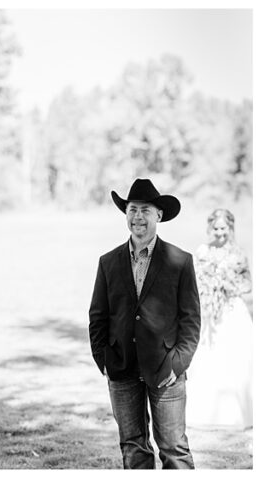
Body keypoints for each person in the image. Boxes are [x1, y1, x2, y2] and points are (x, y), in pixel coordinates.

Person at [88, 178, 200, 469]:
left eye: (145, 210)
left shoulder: (180, 260)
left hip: (165, 369)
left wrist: (178, 364)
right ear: (126, 214)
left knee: (174, 448)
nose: (138, 217)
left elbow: (191, 319)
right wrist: (104, 359)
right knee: (133, 448)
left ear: (158, 215)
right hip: (121, 368)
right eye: (133, 209)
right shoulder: (108, 262)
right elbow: (97, 316)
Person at [186, 209, 253, 429]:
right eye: (216, 228)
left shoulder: (238, 255)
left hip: (232, 310)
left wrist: (225, 283)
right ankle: (204, 414)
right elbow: (193, 281)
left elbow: (247, 285)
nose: (220, 233)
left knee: (233, 359)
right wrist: (208, 287)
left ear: (231, 229)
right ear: (209, 228)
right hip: (208, 312)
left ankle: (235, 415)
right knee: (207, 360)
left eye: (224, 228)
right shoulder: (202, 252)